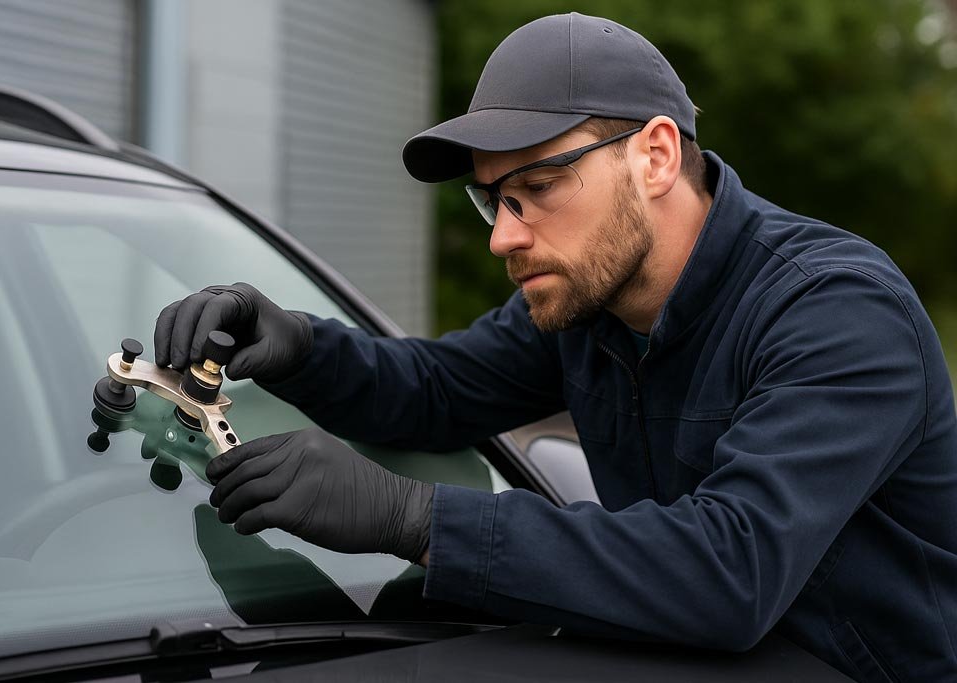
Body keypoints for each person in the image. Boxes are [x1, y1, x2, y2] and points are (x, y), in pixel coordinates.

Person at [153, 13, 957, 681]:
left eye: (538, 188)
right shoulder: (591, 301)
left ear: (655, 156)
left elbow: (730, 570)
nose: (505, 235)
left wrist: (409, 515)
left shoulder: (835, 310)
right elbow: (436, 391)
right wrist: (294, 343)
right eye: (493, 199)